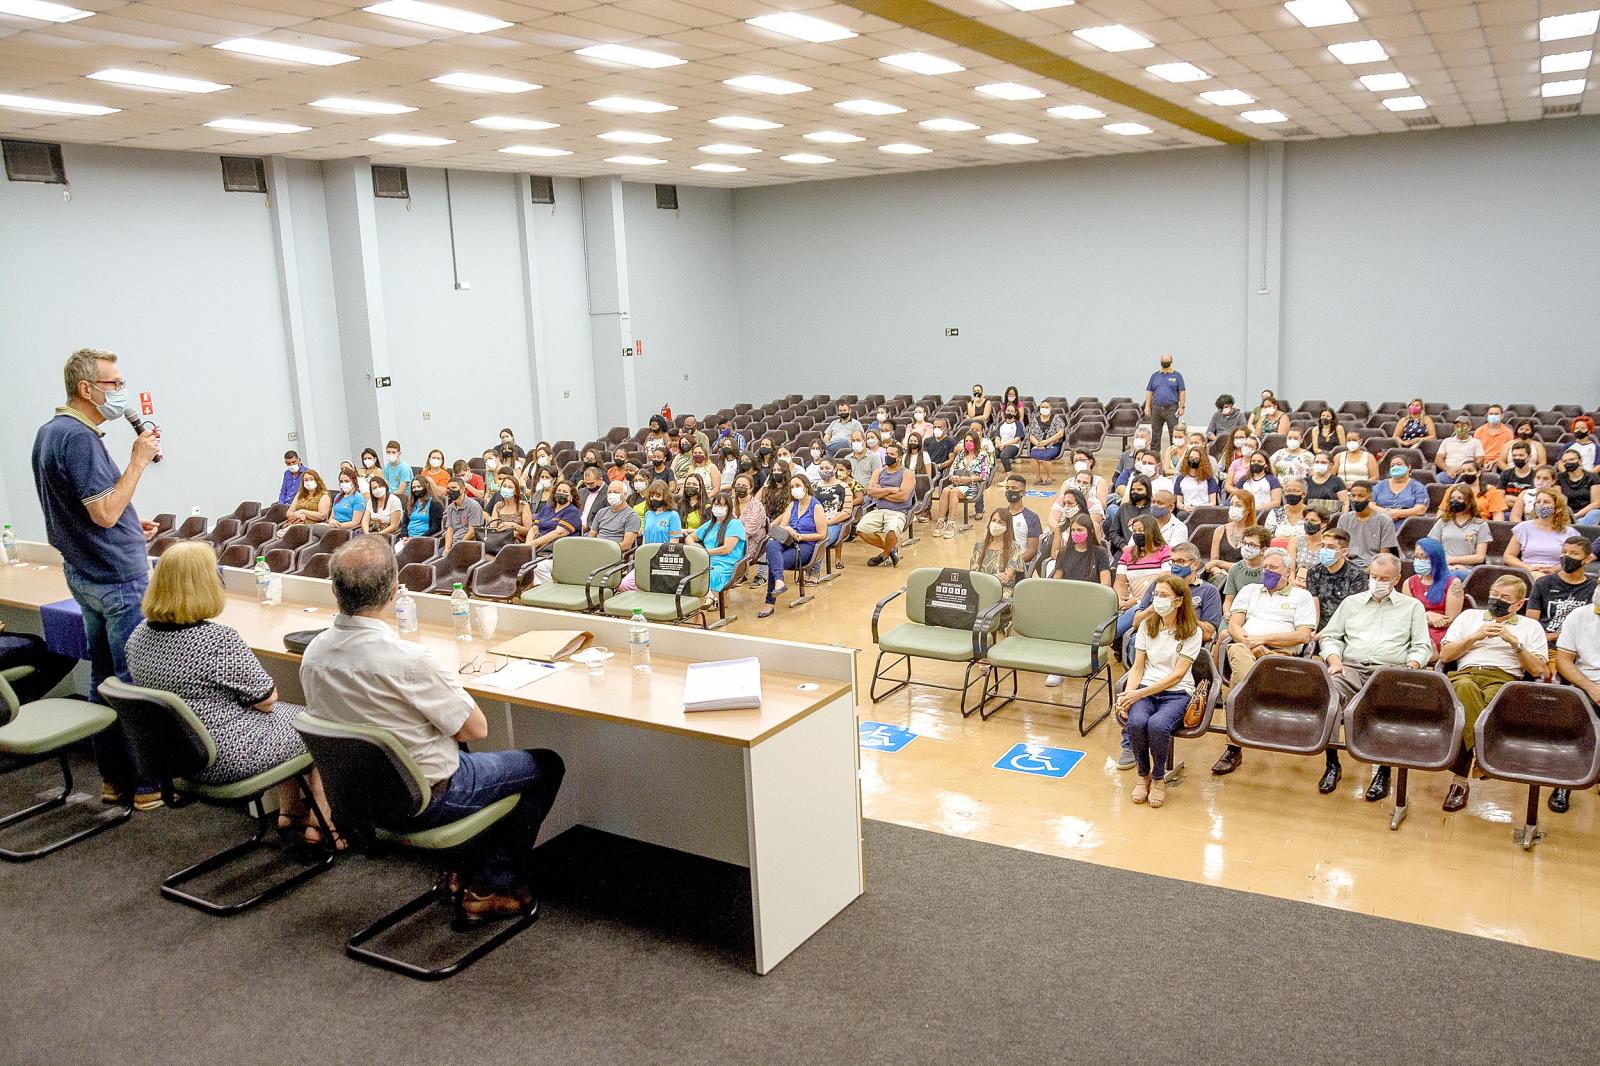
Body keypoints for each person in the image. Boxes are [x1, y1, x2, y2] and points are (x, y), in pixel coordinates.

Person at [303, 538, 563, 920]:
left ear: (335, 591)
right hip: (427, 798)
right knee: (546, 766)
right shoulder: (408, 660)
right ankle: (495, 884)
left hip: (361, 798)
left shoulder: (315, 653)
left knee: (455, 747)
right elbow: (475, 728)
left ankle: (462, 868)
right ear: (394, 591)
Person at [125, 543, 337, 845]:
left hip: (178, 758)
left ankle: (289, 811)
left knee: (286, 719)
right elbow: (267, 698)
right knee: (313, 722)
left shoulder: (139, 635)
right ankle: (323, 822)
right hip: (224, 758)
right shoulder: (216, 640)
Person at [31, 348, 164, 808]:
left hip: (84, 573)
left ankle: (113, 779)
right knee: (132, 683)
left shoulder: (49, 433)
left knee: (102, 677)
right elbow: (104, 512)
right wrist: (139, 461)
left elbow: (86, 508)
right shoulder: (81, 438)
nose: (121, 392)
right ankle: (146, 786)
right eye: (114, 384)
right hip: (116, 579)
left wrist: (132, 519)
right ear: (87, 389)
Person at [1319, 553, 1433, 799]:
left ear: (1396, 579)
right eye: (1374, 576)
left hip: (1390, 671)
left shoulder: (1412, 606)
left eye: (1384, 578)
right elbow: (1330, 637)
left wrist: (1411, 668)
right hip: (1350, 666)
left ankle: (1383, 770)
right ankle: (1332, 763)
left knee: (1392, 707)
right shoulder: (1351, 603)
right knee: (1330, 695)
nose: (1378, 581)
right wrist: (1334, 659)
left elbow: (1422, 646)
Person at [1439, 575, 1550, 812]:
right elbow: (1446, 656)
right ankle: (1482, 756)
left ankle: (1459, 783)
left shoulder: (1530, 627)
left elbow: (1540, 669)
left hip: (1505, 680)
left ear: (1519, 604)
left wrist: (1514, 643)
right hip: (1466, 673)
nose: (1497, 600)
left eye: (1504, 598)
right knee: (1465, 689)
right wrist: (1474, 637)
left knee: (1480, 707)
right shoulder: (1469, 617)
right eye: (1494, 595)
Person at [1116, 573, 1201, 808]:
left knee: (1157, 725)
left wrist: (1138, 695)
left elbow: (1177, 675)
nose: (1158, 600)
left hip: (1177, 692)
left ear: (1178, 600)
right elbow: (1138, 667)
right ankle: (1142, 776)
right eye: (1155, 595)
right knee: (1136, 722)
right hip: (1145, 688)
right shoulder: (1146, 625)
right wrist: (1127, 696)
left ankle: (1158, 779)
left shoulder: (1193, 631)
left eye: (1164, 595)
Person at [758, 474, 825, 618]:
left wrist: (801, 536)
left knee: (774, 561)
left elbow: (822, 534)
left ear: (806, 487)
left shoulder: (816, 506)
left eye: (798, 486)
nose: (795, 489)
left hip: (806, 545)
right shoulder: (792, 505)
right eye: (792, 487)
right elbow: (783, 526)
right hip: (788, 540)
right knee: (771, 546)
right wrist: (789, 529)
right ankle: (779, 581)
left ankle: (770, 603)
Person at [1527, 536, 1595, 648]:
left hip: (1578, 645)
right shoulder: (1543, 583)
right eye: (1564, 552)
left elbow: (1591, 626)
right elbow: (1531, 623)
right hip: (1545, 644)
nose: (1567, 556)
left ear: (1587, 559)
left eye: (1574, 553)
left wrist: (1557, 636)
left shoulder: (1593, 587)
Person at [857, 441, 915, 568]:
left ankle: (884, 555)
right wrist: (891, 489)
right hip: (878, 509)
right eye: (887, 453)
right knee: (861, 529)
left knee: (892, 530)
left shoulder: (907, 474)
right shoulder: (878, 472)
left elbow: (903, 496)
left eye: (892, 454)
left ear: (899, 458)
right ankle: (891, 550)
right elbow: (870, 492)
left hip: (898, 512)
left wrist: (880, 492)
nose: (888, 456)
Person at [1403, 537, 1464, 648]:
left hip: (1440, 631)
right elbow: (1407, 616)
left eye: (1424, 557)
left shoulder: (1453, 583)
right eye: (1416, 557)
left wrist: (1422, 618)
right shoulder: (1409, 583)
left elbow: (1449, 620)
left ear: (1436, 558)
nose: (1419, 560)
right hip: (1415, 629)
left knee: (1424, 645)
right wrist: (1427, 615)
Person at [1506, 487, 1578, 576]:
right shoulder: (1523, 527)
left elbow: (1574, 559)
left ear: (1557, 507)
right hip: (1528, 571)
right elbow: (1508, 556)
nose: (1541, 505)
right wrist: (1529, 568)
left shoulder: (1570, 532)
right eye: (1538, 502)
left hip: (1557, 574)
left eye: (1546, 502)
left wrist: (1553, 569)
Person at [1305, 526, 1367, 625]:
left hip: (1345, 626)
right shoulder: (1313, 572)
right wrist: (1313, 631)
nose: (1325, 550)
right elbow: (1314, 605)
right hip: (1320, 625)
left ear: (1344, 551)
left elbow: (1352, 610)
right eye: (1323, 546)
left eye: (1330, 547)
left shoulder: (1357, 575)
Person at [932, 435, 990, 538]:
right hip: (957, 483)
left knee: (954, 492)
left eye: (971, 440)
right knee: (945, 491)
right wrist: (953, 477)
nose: (968, 442)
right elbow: (951, 471)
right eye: (966, 440)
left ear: (976, 442)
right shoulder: (961, 454)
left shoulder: (983, 455)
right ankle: (940, 522)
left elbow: (984, 475)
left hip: (973, 485)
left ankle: (951, 523)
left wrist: (969, 479)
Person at [1336, 481, 1399, 568]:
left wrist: (1367, 571)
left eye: (1361, 496)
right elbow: (1339, 548)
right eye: (1353, 496)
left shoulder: (1384, 521)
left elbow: (1383, 555)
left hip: (1373, 567)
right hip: (1347, 566)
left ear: (1370, 497)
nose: (1356, 499)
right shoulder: (1344, 518)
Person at [1428, 482, 1490, 568]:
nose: (1455, 501)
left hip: (1467, 569)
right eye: (1452, 498)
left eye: (1459, 498)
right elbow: (1432, 548)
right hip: (1444, 566)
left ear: (1468, 501)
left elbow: (1480, 557)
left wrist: (1453, 560)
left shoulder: (1481, 525)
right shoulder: (1442, 521)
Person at [1049, 512, 1112, 586]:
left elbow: (1105, 584)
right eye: (1073, 530)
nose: (1075, 533)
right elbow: (1056, 582)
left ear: (1090, 531)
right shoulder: (1064, 552)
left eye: (1079, 530)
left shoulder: (1100, 553)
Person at [810, 461, 853, 569]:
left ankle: (814, 572)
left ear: (834, 469)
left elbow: (846, 512)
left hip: (834, 525)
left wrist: (827, 522)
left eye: (827, 468)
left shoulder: (843, 487)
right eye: (821, 468)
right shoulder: (813, 486)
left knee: (819, 541)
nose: (824, 470)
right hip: (813, 523)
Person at [1220, 525, 1270, 614]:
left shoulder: (1270, 570)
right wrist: (1227, 613)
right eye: (1244, 543)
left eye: (1251, 544)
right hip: (1237, 611)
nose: (1246, 547)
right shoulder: (1235, 569)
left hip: (1261, 613)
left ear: (1263, 550)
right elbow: (1228, 600)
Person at [1143, 353, 1186, 455]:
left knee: (1173, 432)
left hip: (1172, 408)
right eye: (1163, 360)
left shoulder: (1177, 376)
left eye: (1167, 360)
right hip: (1156, 407)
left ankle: (1174, 455)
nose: (1165, 362)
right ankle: (1154, 455)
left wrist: (1182, 407)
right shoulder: (1155, 375)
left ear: (1171, 362)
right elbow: (1149, 391)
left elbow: (1182, 392)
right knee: (1156, 433)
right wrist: (1147, 406)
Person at [998, 473, 1043, 569]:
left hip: (1019, 564)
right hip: (997, 561)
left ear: (1022, 493)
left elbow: (1032, 551)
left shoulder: (1032, 518)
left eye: (1014, 488)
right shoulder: (999, 515)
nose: (1009, 491)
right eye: (1007, 488)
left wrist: (1012, 564)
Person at [970, 512, 1024, 589]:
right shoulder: (980, 545)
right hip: (981, 587)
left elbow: (1006, 577)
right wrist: (993, 577)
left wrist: (985, 577)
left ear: (1007, 526)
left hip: (1002, 589)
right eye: (994, 520)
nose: (995, 524)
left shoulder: (1014, 548)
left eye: (1000, 522)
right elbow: (973, 573)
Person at [1433, 416, 1485, 484]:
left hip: (1467, 473)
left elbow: (1480, 460)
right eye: (1457, 426)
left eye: (1463, 426)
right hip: (1449, 473)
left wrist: (1465, 470)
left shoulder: (1475, 442)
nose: (1460, 429)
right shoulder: (1447, 441)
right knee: (1437, 480)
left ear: (1469, 428)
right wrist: (1448, 470)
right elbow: (1438, 460)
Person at [1024, 401, 1066, 486]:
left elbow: (1060, 433)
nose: (1044, 409)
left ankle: (1049, 477)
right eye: (1042, 407)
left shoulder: (1057, 419)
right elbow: (1030, 435)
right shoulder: (1035, 419)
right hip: (1038, 445)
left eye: (1047, 407)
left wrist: (1046, 442)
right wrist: (1038, 444)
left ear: (1050, 408)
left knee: (1044, 457)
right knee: (1033, 455)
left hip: (1053, 445)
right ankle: (1038, 478)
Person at [1555, 449, 1600, 524]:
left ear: (1580, 461)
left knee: (1595, 513)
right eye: (1565, 461)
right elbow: (1558, 500)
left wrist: (1575, 516)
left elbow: (1596, 503)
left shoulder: (1593, 477)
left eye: (1571, 459)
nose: (1568, 462)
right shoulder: (1559, 477)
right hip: (1566, 514)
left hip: (1587, 514)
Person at [485, 473, 533, 543]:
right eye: (504, 486)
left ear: (516, 491)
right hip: (500, 540)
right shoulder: (498, 506)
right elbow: (493, 529)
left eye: (510, 487)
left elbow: (529, 531)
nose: (506, 489)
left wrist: (514, 526)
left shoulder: (523, 505)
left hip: (517, 542)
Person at [1172, 443, 1220, 512]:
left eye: (1196, 459)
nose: (1193, 460)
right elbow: (1179, 503)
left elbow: (1213, 503)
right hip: (1186, 510)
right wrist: (1185, 507)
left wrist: (1198, 508)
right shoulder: (1180, 479)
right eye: (1191, 458)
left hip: (1204, 510)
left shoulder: (1210, 479)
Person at [441, 476, 483, 550]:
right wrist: (446, 549)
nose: (450, 491)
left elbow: (472, 532)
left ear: (463, 489)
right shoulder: (450, 508)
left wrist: (456, 547)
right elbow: (450, 530)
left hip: (468, 546)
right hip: (454, 544)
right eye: (449, 488)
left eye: (454, 488)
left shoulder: (473, 506)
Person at [992, 405, 1024, 473]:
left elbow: (1016, 440)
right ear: (1005, 412)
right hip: (1001, 445)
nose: (1009, 412)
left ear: (1015, 413)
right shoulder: (1001, 424)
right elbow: (997, 437)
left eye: (1012, 411)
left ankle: (1009, 473)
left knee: (1004, 455)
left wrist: (1003, 444)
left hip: (1013, 446)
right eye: (1008, 411)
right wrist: (998, 443)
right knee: (990, 453)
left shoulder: (1018, 424)